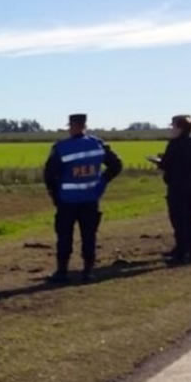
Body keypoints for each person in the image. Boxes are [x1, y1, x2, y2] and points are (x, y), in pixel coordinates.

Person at [44, 114, 123, 283]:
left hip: (67, 201)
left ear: (72, 126)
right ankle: (88, 272)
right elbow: (116, 165)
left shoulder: (61, 147)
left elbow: (49, 175)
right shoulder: (98, 144)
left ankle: (62, 272)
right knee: (89, 236)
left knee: (64, 236)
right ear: (85, 125)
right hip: (91, 199)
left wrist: (55, 196)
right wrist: (102, 182)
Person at [156, 114, 191, 266]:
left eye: (172, 126)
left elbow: (167, 164)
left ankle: (180, 254)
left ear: (179, 127)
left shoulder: (174, 144)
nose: (171, 129)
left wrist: (160, 163)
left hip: (178, 188)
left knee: (179, 222)